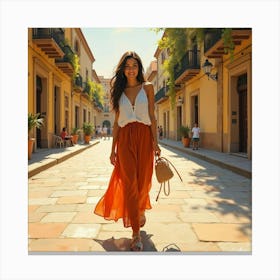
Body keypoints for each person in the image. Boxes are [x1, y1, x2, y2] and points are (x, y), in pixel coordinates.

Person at [94, 51, 161, 251]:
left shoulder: (147, 87)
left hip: (144, 138)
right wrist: (112, 149)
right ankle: (135, 234)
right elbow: (116, 123)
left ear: (139, 68)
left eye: (134, 65)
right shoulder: (118, 90)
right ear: (123, 69)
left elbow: (152, 116)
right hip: (124, 140)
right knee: (130, 183)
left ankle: (139, 209)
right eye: (127, 66)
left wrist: (155, 143)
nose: (131, 69)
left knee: (143, 182)